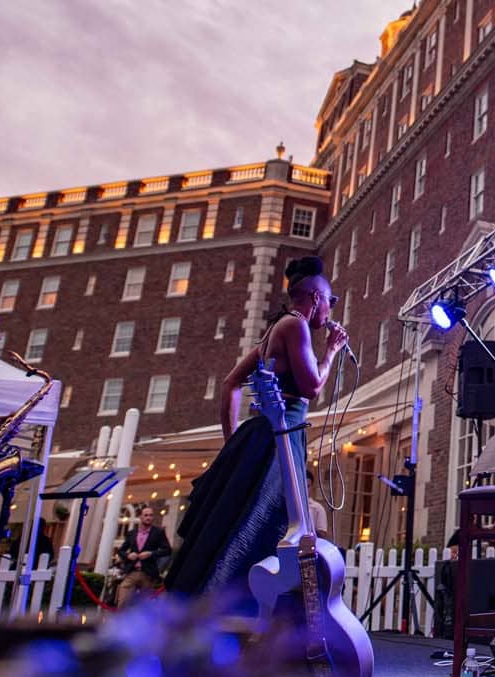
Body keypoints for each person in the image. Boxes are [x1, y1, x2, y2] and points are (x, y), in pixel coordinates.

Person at [165, 257, 345, 597]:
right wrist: (331, 352)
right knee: (260, 526)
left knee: (242, 523)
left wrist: (232, 442)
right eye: (331, 300)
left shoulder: (273, 331)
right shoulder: (296, 326)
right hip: (278, 438)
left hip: (262, 435)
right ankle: (239, 609)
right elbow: (312, 388)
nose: (331, 310)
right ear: (316, 297)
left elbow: (230, 383)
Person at [115, 504, 173, 605]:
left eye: (150, 515)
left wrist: (151, 553)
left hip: (148, 573)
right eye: (146, 515)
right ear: (141, 517)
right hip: (132, 572)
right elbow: (121, 551)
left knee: (144, 606)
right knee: (123, 601)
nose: (148, 517)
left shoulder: (158, 532)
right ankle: (121, 619)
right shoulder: (132, 533)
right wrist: (128, 555)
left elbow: (167, 550)